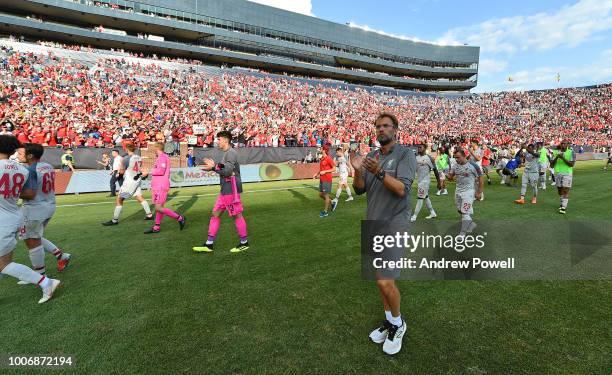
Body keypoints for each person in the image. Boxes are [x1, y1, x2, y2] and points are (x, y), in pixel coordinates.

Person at [352, 112, 416, 356]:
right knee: (379, 280)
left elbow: (402, 189)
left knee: (384, 280)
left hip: (394, 225)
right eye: (377, 126)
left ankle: (398, 324)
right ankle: (390, 321)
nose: (380, 130)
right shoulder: (372, 156)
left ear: (395, 130)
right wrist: (357, 170)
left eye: (385, 126)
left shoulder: (405, 154)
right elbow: (360, 190)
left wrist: (379, 172)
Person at [0, 135, 60, 304]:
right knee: (5, 260)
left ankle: (46, 282)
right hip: (14, 215)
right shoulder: (22, 169)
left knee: (3, 263)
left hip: (4, 219)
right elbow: (27, 192)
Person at [17, 143, 71, 279]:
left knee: (31, 241)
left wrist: (11, 193)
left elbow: (30, 194)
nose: (18, 155)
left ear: (30, 156)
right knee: (35, 237)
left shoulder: (30, 170)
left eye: (20, 153)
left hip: (34, 209)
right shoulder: (48, 166)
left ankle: (40, 276)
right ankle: (61, 256)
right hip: (49, 205)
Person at [192, 131, 249, 253]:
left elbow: (228, 171)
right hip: (224, 190)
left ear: (225, 140)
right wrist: (214, 168)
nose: (217, 142)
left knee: (237, 216)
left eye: (219, 139)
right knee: (215, 214)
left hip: (230, 190)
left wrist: (213, 167)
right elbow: (224, 169)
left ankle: (244, 242)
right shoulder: (227, 154)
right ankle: (209, 244)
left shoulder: (231, 153)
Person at [102, 144, 153, 226]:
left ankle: (115, 220)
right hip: (137, 179)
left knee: (119, 199)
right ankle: (149, 214)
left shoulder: (126, 159)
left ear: (126, 149)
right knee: (139, 197)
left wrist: (119, 171)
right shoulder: (138, 157)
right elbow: (138, 167)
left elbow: (122, 172)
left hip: (129, 181)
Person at [143, 142, 186, 234]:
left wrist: (149, 171)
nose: (153, 150)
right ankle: (156, 227)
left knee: (158, 208)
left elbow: (161, 171)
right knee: (159, 207)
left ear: (157, 148)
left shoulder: (162, 157)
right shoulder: (161, 157)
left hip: (161, 185)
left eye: (153, 148)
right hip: (158, 185)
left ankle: (180, 218)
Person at [447, 147, 484, 236]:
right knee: (460, 211)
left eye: (458, 157)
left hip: (469, 192)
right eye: (455, 157)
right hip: (458, 191)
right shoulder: (455, 166)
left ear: (464, 156)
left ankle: (462, 233)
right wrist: (446, 175)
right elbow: (451, 177)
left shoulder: (473, 166)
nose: (456, 159)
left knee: (464, 212)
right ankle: (471, 224)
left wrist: (479, 192)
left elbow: (481, 179)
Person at [411, 144, 442, 222]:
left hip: (425, 181)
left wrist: (439, 182)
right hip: (419, 181)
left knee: (420, 198)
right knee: (426, 197)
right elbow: (413, 169)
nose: (419, 148)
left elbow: (435, 170)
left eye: (420, 147)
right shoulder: (416, 158)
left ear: (425, 149)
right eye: (418, 147)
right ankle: (432, 213)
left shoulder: (429, 158)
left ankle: (414, 216)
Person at [551, 140, 576, 214]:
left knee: (565, 189)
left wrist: (563, 158)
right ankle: (562, 203)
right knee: (560, 190)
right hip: (557, 173)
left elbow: (571, 165)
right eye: (562, 143)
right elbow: (551, 165)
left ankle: (563, 207)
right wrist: (556, 157)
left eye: (565, 143)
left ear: (567, 145)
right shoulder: (555, 152)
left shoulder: (571, 152)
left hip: (567, 173)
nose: (563, 145)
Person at [313, 145, 336, 217]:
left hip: (327, 179)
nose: (320, 149)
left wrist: (325, 171)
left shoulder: (328, 158)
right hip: (322, 179)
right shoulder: (322, 158)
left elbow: (334, 168)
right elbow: (321, 169)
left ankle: (325, 212)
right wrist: (317, 174)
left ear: (324, 150)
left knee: (326, 196)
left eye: (321, 148)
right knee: (320, 194)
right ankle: (332, 202)